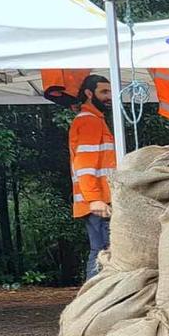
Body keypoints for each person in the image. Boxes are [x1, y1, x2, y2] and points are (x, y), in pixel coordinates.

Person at [68, 74, 115, 280]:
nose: (109, 96)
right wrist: (95, 198)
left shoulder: (94, 119)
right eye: (103, 91)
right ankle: (92, 304)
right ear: (89, 93)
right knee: (101, 253)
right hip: (98, 202)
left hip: (98, 200)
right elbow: (84, 165)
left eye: (110, 91)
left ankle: (93, 304)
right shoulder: (89, 121)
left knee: (101, 252)